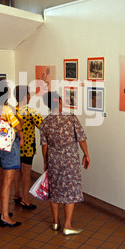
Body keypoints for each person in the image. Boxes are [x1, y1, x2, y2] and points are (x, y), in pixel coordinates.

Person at [40, 91, 90, 236]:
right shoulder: (71, 118)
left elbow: (45, 146)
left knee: (54, 190)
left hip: (53, 160)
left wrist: (45, 161)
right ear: (60, 101)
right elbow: (81, 139)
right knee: (70, 190)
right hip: (70, 161)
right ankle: (67, 225)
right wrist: (86, 155)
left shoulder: (45, 122)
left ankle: (56, 222)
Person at [0, 78, 24, 227]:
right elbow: (18, 126)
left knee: (0, 179)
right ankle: (5, 216)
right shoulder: (8, 110)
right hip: (9, 147)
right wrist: (21, 136)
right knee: (8, 182)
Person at [13, 85, 43, 210]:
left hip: (14, 146)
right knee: (26, 173)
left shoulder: (12, 110)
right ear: (25, 97)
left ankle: (16, 194)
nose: (30, 96)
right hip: (27, 147)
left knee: (16, 171)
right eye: (29, 94)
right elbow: (42, 125)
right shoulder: (31, 111)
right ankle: (25, 199)